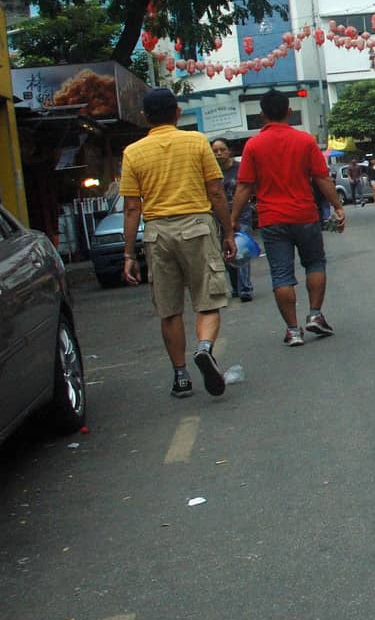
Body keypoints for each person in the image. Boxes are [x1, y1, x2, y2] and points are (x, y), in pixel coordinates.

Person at [120, 89, 237, 399]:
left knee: (169, 309)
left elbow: (132, 208)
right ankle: (204, 348)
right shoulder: (197, 142)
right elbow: (215, 192)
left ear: (144, 117)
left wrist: (129, 253)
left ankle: (181, 376)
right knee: (208, 300)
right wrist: (228, 232)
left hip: (157, 233)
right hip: (196, 227)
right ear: (176, 113)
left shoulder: (133, 152)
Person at [231, 90, 346, 347]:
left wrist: (233, 218)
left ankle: (293, 330)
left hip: (272, 220)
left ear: (261, 115)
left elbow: (244, 186)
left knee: (281, 274)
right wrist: (337, 206)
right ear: (289, 111)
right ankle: (315, 314)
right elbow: (321, 178)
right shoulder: (305, 141)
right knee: (315, 263)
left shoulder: (253, 145)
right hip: (304, 215)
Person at [212, 138, 254, 303]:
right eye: (215, 151)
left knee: (242, 250)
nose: (219, 153)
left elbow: (247, 189)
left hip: (242, 215)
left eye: (222, 149)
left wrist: (235, 217)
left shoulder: (240, 169)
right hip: (220, 218)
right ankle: (236, 287)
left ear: (229, 151)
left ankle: (245, 288)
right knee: (228, 252)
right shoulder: (212, 172)